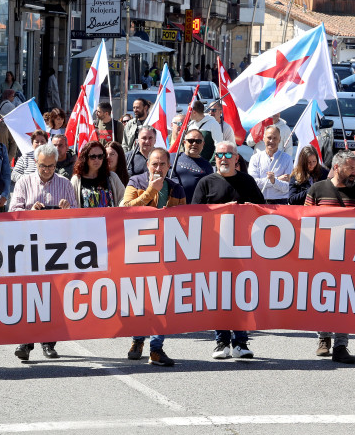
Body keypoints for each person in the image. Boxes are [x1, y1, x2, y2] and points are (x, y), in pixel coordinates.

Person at [192, 141, 264, 359]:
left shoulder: (247, 181)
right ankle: (221, 342)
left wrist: (241, 209)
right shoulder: (206, 182)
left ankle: (241, 343)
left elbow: (262, 209)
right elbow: (195, 215)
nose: (223, 158)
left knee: (240, 295)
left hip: (242, 249)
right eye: (219, 154)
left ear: (236, 159)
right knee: (219, 296)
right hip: (215, 249)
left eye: (227, 154)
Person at [8, 142, 77, 360]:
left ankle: (49, 342)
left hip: (56, 248)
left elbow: (76, 215)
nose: (46, 170)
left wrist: (67, 210)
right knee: (30, 296)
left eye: (50, 166)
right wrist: (31, 210)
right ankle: (26, 342)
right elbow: (13, 211)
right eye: (42, 166)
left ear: (56, 164)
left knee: (53, 297)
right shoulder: (24, 182)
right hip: (29, 247)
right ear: (35, 163)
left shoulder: (65, 184)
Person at [120, 147, 184, 366]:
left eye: (163, 164)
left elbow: (185, 220)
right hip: (139, 252)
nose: (158, 168)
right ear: (148, 165)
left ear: (168, 166)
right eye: (154, 164)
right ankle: (137, 341)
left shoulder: (176, 188)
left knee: (162, 300)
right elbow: (124, 208)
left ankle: (156, 349)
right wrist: (149, 192)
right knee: (141, 299)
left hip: (165, 253)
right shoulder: (136, 182)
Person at [305, 150, 355, 365]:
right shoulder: (317, 189)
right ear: (336, 168)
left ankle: (341, 345)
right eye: (350, 168)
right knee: (323, 297)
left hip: (350, 257)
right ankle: (324, 338)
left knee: (346, 301)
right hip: (322, 256)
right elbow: (305, 222)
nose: (354, 172)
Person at [70, 141, 124, 208]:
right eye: (93, 156)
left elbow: (123, 198)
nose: (97, 160)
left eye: (100, 156)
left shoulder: (112, 177)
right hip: (85, 218)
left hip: (109, 218)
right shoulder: (76, 180)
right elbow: (71, 204)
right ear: (85, 158)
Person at [247, 125, 292, 204]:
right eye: (269, 138)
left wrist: (274, 180)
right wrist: (276, 179)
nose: (271, 141)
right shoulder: (255, 158)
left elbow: (287, 187)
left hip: (280, 202)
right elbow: (253, 184)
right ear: (264, 139)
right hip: (260, 202)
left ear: (279, 140)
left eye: (275, 138)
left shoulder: (287, 159)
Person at [169, 129, 214, 203]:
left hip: (193, 209)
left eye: (198, 141)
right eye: (191, 141)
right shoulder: (172, 158)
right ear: (184, 142)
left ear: (203, 144)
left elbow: (210, 190)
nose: (194, 144)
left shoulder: (207, 166)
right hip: (171, 206)